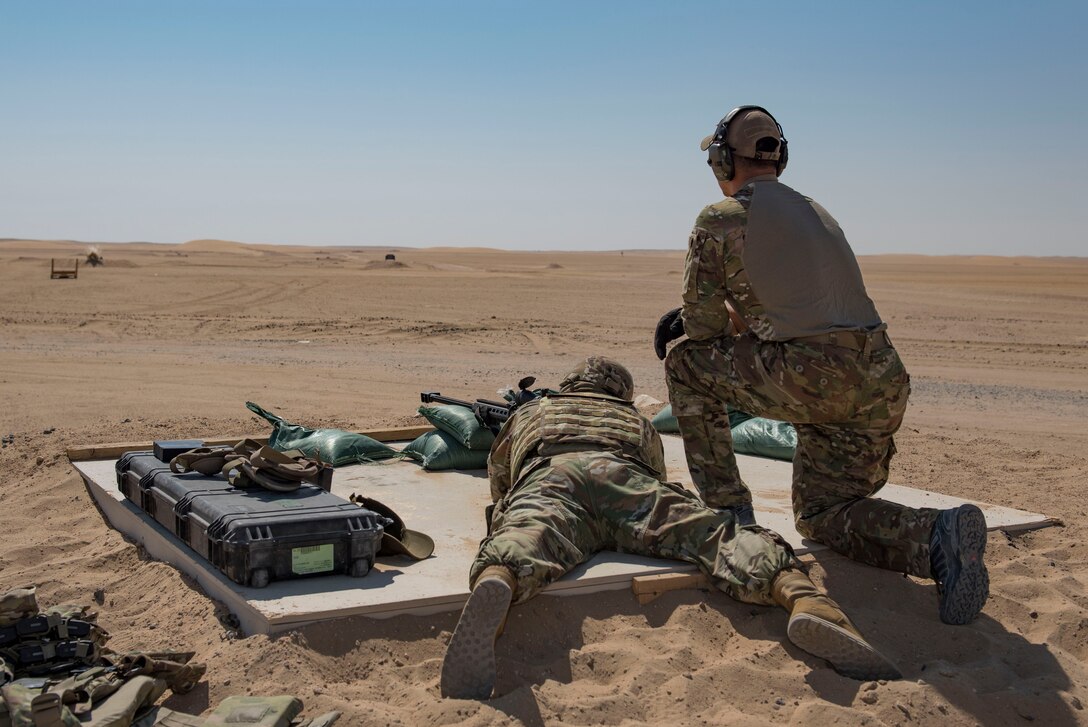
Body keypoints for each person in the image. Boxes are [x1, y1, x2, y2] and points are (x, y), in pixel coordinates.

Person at [653, 105, 989, 628]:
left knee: (686, 366)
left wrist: (700, 318)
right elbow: (794, 311)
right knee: (824, 513)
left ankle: (729, 515)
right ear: (780, 158)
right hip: (879, 378)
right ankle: (935, 537)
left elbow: (703, 332)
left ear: (722, 161)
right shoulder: (815, 210)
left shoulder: (719, 218)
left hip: (811, 376)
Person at [439, 356, 900, 701]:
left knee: (524, 533)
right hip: (624, 477)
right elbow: (654, 474)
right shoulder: (633, 419)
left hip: (553, 471)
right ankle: (801, 596)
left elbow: (501, 480)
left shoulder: (530, 414)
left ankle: (499, 580)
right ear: (619, 392)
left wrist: (518, 505)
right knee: (715, 535)